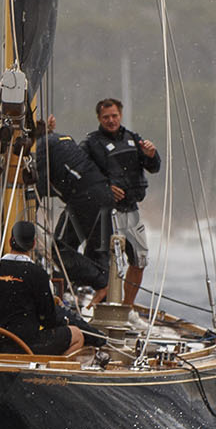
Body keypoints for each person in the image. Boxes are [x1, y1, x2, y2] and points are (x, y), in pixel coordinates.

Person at [83, 98, 161, 308]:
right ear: (99, 118)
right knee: (105, 261)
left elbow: (154, 167)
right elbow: (82, 173)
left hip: (131, 210)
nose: (111, 120)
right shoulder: (91, 143)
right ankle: (102, 303)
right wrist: (104, 187)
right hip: (104, 212)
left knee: (139, 259)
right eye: (106, 117)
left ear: (121, 115)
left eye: (114, 116)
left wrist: (152, 155)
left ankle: (128, 307)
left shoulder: (134, 139)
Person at [31, 120, 116, 290]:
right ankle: (103, 295)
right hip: (104, 193)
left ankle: (102, 282)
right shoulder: (63, 139)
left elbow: (40, 184)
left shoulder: (42, 146)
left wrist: (30, 214)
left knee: (60, 250)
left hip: (84, 197)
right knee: (97, 251)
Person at [0, 220, 85, 355]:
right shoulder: (38, 274)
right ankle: (49, 371)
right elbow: (48, 319)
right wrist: (64, 319)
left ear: (10, 242)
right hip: (26, 345)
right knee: (77, 335)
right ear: (33, 244)